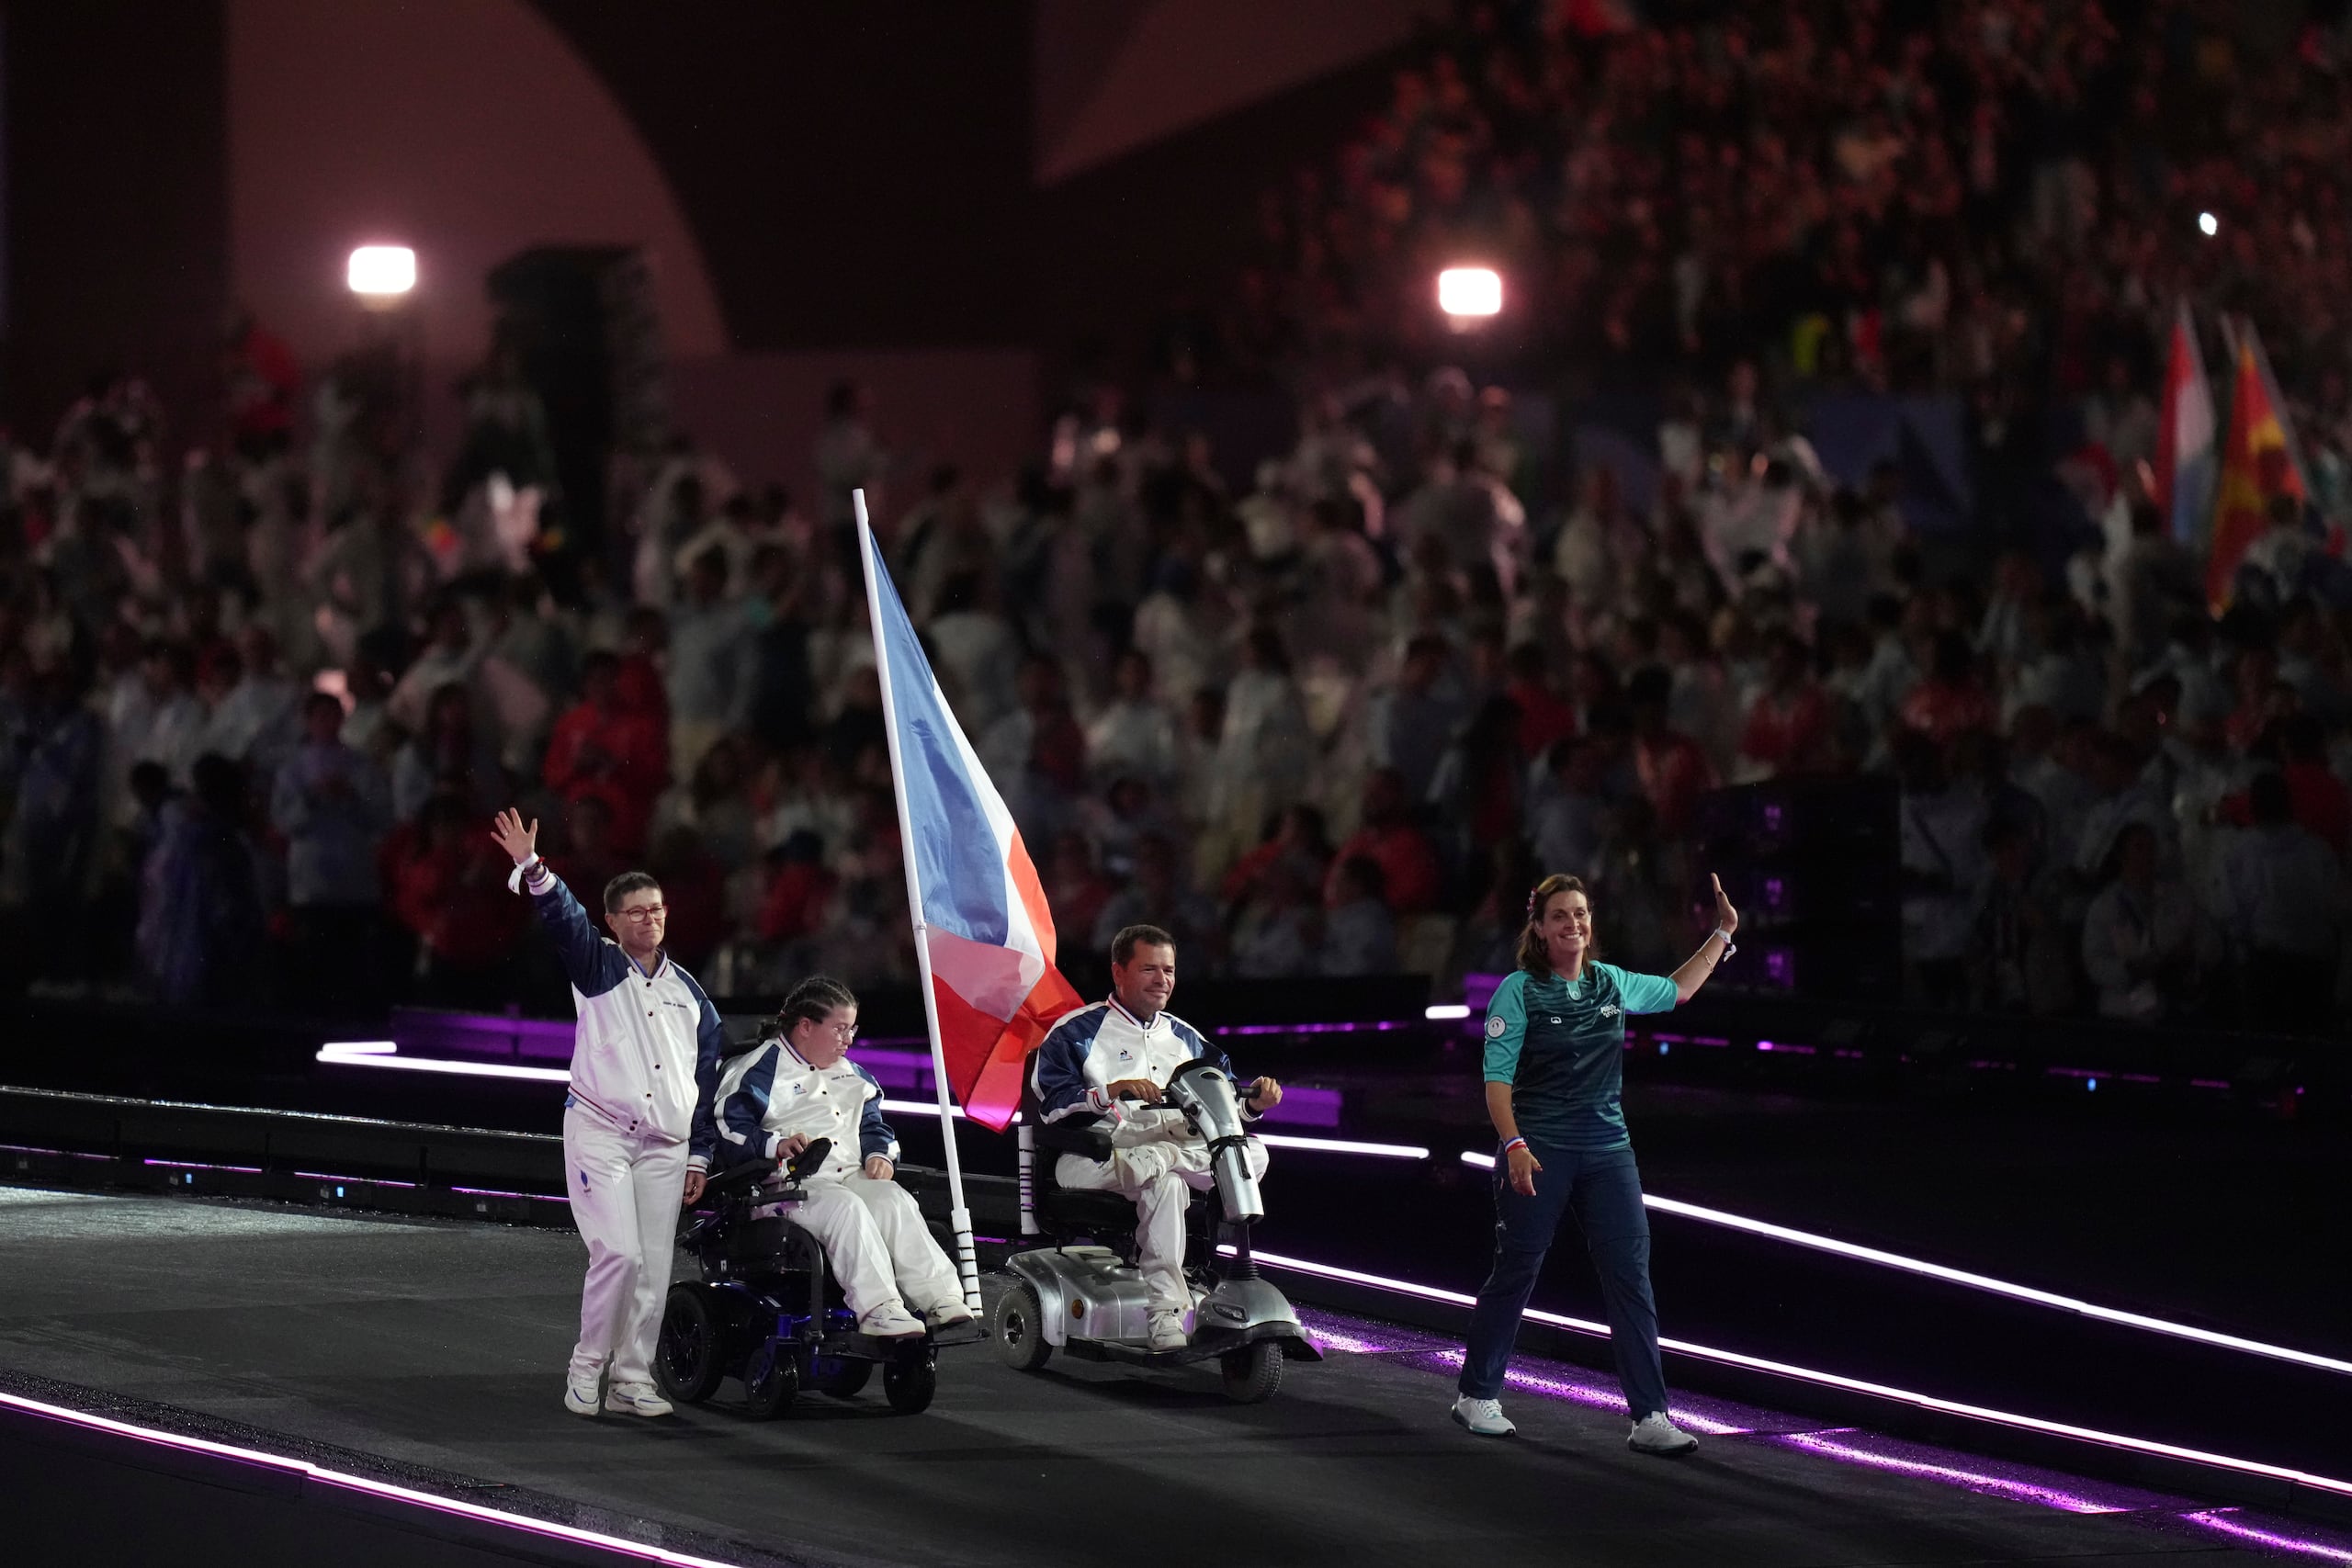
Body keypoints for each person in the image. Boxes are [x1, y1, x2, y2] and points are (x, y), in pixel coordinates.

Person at [1452, 871, 1740, 1457]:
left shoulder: (1611, 983)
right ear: (1539, 927)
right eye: (1560, 915)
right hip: (1538, 1148)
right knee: (1518, 1268)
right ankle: (1476, 1394)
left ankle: (1650, 1416)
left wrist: (1721, 934)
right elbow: (1496, 1082)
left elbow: (1677, 991)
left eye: (1581, 913)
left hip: (1608, 1151)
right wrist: (1513, 1146)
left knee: (1630, 1276)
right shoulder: (1519, 990)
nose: (1574, 924)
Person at [490, 807, 725, 1420]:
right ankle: (586, 1365)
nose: (651, 918)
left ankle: (632, 1377)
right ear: (615, 921)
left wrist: (699, 1150)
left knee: (653, 1264)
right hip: (601, 1131)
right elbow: (564, 918)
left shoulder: (691, 995)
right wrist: (532, 866)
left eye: (658, 908)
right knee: (617, 1253)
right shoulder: (598, 967)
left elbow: (707, 1075)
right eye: (638, 910)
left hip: (666, 1147)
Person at [1032, 923, 1283, 1349]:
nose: (1162, 980)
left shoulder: (1186, 1038)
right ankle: (1166, 1315)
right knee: (1166, 1183)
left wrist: (1253, 1105)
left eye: (1168, 970)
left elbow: (1222, 1108)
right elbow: (1050, 1104)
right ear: (1119, 973)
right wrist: (1108, 1093)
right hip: (1097, 1154)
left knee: (1250, 1155)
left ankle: (1166, 1161)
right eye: (1149, 969)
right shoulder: (1076, 1032)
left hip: (1167, 1154)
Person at [712, 976, 973, 1338]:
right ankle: (880, 1310)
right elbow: (729, 1130)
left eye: (852, 1029)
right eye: (839, 1030)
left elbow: (874, 1128)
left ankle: (942, 1299)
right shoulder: (757, 1070)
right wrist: (774, 1145)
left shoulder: (855, 1075)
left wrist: (878, 1154)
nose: (849, 1040)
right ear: (805, 1026)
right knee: (846, 1207)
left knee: (893, 1200)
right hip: (786, 1186)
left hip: (849, 1175)